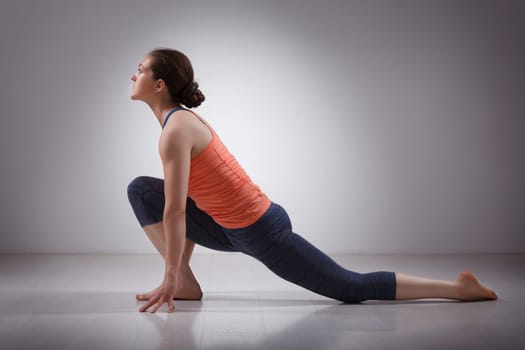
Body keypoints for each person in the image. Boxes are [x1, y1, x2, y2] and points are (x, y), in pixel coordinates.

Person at [127, 48, 498, 313]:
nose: (134, 74)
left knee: (350, 287)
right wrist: (179, 273)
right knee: (142, 190)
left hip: (259, 231)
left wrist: (170, 274)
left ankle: (457, 289)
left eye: (140, 69)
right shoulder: (177, 123)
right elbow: (183, 205)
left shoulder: (176, 130)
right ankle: (188, 286)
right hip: (228, 226)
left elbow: (176, 211)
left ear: (159, 85)